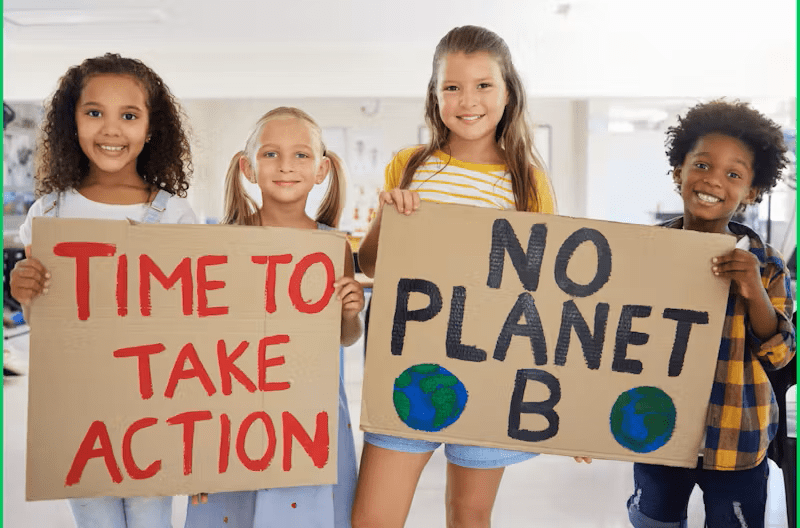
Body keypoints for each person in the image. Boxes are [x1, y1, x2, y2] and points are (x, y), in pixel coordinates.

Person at [353, 25, 581, 528]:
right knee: (372, 519)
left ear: (507, 92)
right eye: (452, 87)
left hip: (491, 375)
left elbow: (544, 295)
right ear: (435, 98)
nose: (467, 100)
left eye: (483, 85)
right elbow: (371, 266)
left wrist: (580, 404)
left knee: (469, 515)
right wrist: (387, 218)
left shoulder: (528, 182)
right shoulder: (408, 166)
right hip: (407, 369)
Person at [9, 53, 196, 528]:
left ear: (152, 129)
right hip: (77, 405)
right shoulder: (48, 213)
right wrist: (25, 291)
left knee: (151, 519)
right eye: (94, 113)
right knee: (96, 521)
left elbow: (191, 320)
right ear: (72, 122)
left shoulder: (175, 214)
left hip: (154, 406)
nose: (111, 130)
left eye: (128, 116)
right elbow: (41, 321)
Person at [184, 106, 363, 528]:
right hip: (233, 410)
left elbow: (346, 336)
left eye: (301, 155)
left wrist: (352, 311)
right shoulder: (222, 243)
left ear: (322, 170)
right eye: (270, 154)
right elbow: (199, 341)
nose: (286, 165)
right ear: (248, 167)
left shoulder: (334, 247)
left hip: (311, 415)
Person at [626, 100, 796, 528]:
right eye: (702, 165)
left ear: (752, 192)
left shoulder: (769, 265)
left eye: (733, 174)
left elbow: (780, 355)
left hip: (737, 442)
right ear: (678, 171)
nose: (713, 181)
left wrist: (754, 291)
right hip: (657, 430)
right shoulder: (641, 252)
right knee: (653, 520)